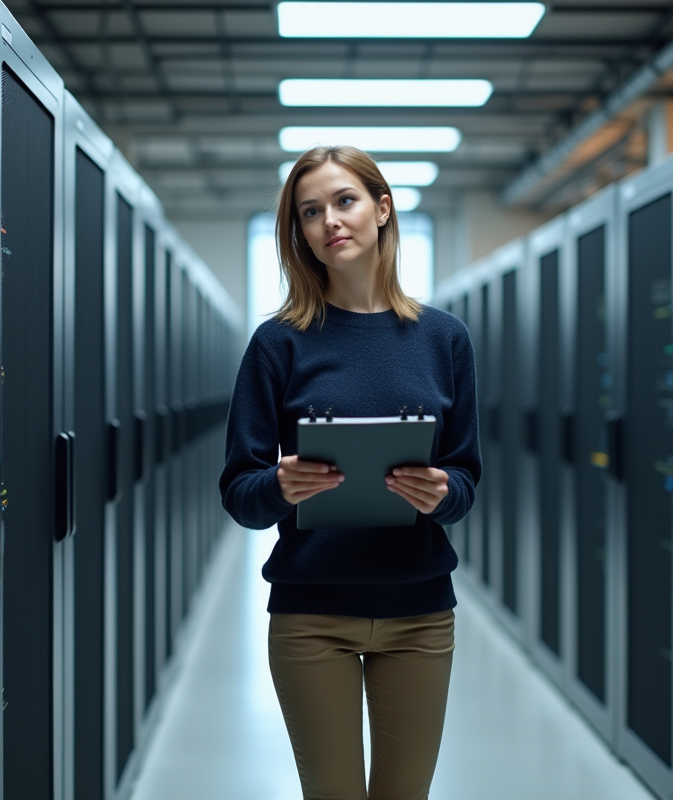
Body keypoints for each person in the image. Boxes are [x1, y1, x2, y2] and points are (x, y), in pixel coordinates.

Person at [219, 145, 481, 800]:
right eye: (310, 212)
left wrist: (442, 492)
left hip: (420, 612)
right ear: (300, 233)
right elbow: (240, 493)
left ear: (382, 209)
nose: (329, 221)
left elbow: (466, 478)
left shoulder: (444, 339)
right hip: (312, 614)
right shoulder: (277, 343)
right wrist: (279, 487)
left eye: (344, 201)